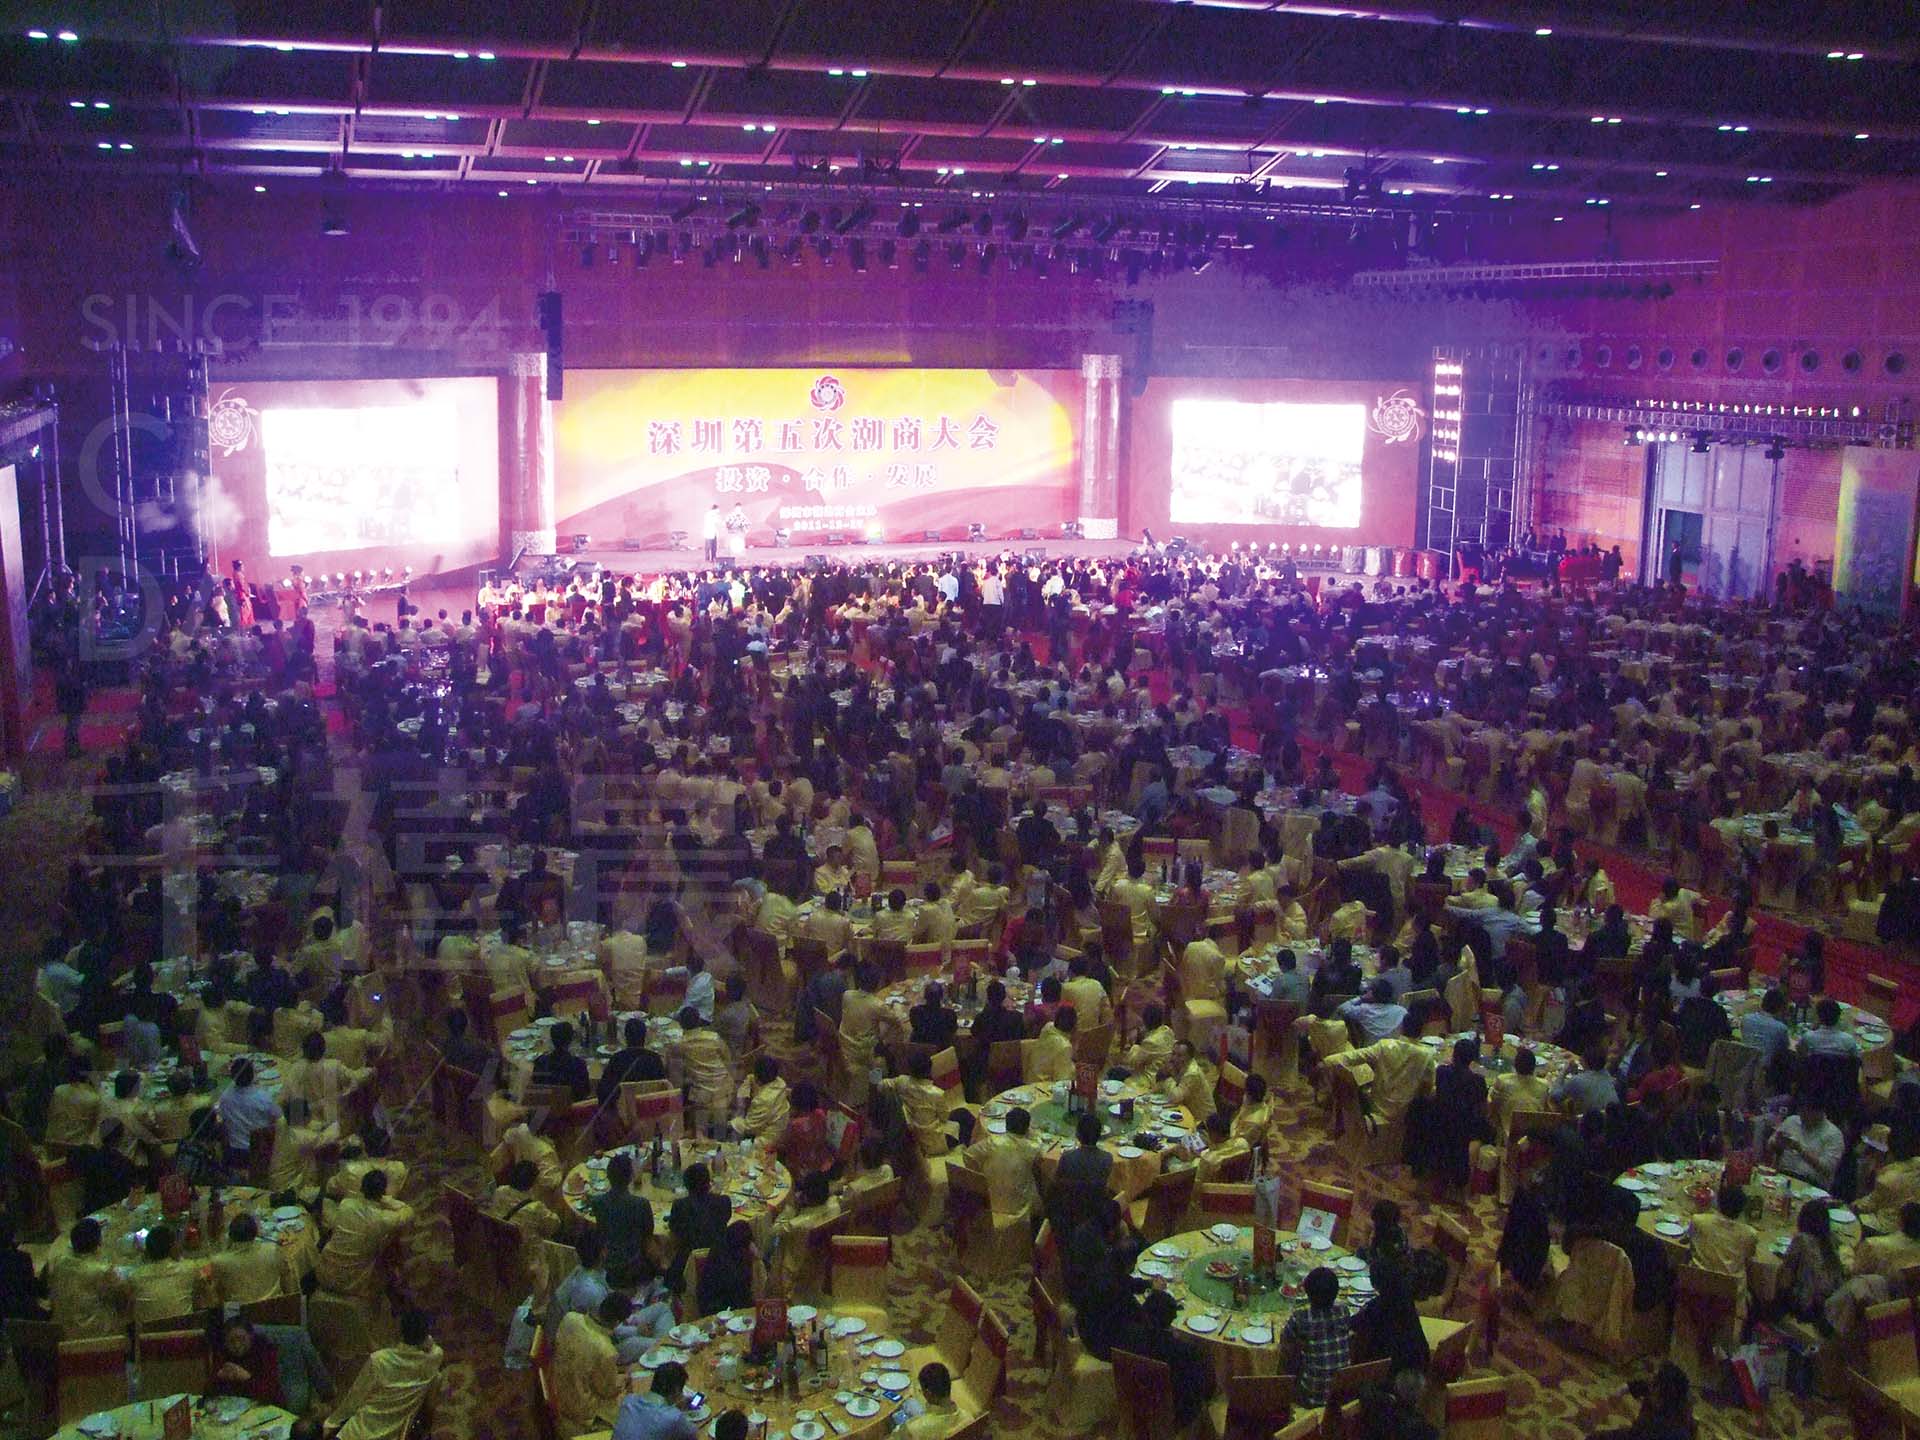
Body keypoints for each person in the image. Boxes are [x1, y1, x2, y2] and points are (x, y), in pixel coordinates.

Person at [330, 1308, 444, 1440]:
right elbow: (434, 1347)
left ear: (400, 1332)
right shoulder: (433, 1359)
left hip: (356, 1434)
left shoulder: (379, 1359)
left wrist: (331, 1423)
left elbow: (354, 1400)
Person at [1119, 1290, 1217, 1428]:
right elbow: (1204, 1390)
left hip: (1134, 1402)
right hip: (1176, 1414)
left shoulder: (1128, 1336)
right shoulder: (1186, 1351)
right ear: (1173, 1317)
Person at [1281, 1265, 1352, 1409]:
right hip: (1340, 1395)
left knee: (1289, 1363)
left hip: (1310, 1397)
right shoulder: (1344, 1311)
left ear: (1307, 1293)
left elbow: (1284, 1342)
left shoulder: (1301, 1318)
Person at [588, 1152, 657, 1280]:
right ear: (630, 1177)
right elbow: (648, 1235)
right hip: (635, 1264)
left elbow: (602, 1231)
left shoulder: (597, 1202)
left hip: (610, 1260)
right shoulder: (641, 1204)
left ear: (608, 1175)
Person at [1767, 1094, 1844, 1188]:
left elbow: (1828, 1169)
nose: (1803, 1116)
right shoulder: (1792, 1121)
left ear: (1819, 1112)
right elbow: (1770, 1145)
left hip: (1811, 1184)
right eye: (1801, 1111)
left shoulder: (1833, 1134)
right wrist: (1777, 1144)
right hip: (1783, 1176)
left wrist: (1800, 1150)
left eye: (1807, 1113)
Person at [612, 1357, 698, 1440]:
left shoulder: (628, 1401)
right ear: (677, 1390)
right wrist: (677, 1410)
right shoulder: (674, 1417)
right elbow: (692, 1434)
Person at [210, 1315, 283, 1405]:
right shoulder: (222, 1351)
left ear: (251, 1336)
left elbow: (271, 1394)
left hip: (266, 1406)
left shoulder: (265, 1350)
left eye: (242, 1339)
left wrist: (246, 1378)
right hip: (235, 1406)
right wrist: (218, 1377)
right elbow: (209, 1394)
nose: (237, 1345)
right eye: (231, 1341)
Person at [697, 1219, 762, 1316]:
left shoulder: (721, 1246)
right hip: (720, 1309)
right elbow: (740, 1293)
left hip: (727, 1303)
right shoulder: (728, 1261)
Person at [599, 1016, 667, 1105]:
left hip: (623, 1109)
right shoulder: (655, 1059)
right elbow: (663, 1087)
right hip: (650, 1108)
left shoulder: (617, 1059)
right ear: (645, 1037)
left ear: (625, 1037)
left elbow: (603, 1091)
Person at [897, 1361, 966, 1439]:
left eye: (922, 1391)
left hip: (924, 1428)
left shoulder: (913, 1429)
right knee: (910, 1403)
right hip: (933, 1423)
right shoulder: (968, 1419)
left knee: (904, 1408)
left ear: (928, 1393)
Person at [531, 1020, 592, 1100]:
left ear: (552, 1040)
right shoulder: (579, 1065)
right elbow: (586, 1091)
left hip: (545, 1104)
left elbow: (536, 1085)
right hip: (573, 1106)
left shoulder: (540, 1062)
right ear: (571, 1040)